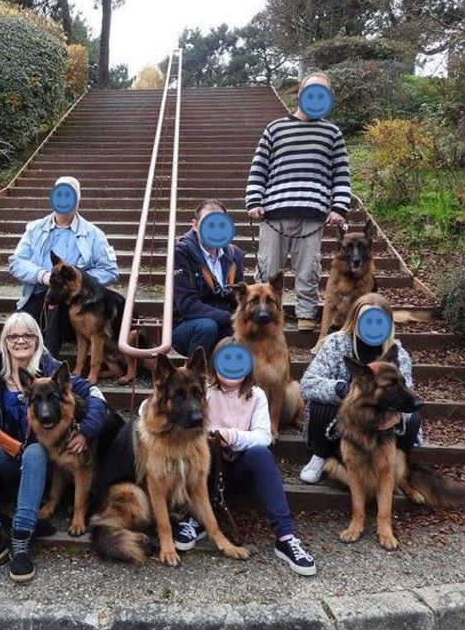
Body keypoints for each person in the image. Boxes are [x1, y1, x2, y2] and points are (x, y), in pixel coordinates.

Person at [0, 312, 109, 583]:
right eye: (13, 336)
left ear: (37, 340)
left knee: (36, 451)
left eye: (27, 335)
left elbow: (95, 395)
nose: (20, 341)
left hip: (39, 464)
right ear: (5, 341)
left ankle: (21, 536)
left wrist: (87, 430)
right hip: (5, 456)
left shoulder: (51, 368)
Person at [172, 338, 316, 576]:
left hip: (239, 469)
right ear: (215, 365)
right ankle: (195, 519)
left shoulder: (257, 395)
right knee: (200, 454)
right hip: (205, 472)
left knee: (260, 454)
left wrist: (231, 435)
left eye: (239, 360)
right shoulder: (203, 391)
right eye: (226, 360)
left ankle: (286, 537)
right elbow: (153, 406)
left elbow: (263, 437)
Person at [245, 72, 351, 331]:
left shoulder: (332, 133)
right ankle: (264, 314)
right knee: (268, 267)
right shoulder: (275, 128)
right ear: (301, 93)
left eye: (322, 92)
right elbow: (259, 166)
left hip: (313, 214)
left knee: (309, 269)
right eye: (311, 91)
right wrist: (254, 200)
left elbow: (341, 173)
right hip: (274, 211)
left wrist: (339, 207)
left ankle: (306, 313)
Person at [298, 293, 423, 484]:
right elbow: (307, 384)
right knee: (319, 407)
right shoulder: (336, 343)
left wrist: (398, 417)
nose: (372, 325)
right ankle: (321, 454)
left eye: (378, 320)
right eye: (366, 319)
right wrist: (342, 389)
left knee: (412, 419)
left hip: (382, 419)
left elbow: (407, 393)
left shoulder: (397, 351)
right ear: (354, 320)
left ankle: (396, 465)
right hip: (346, 418)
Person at [8, 176, 119, 357]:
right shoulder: (34, 229)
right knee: (18, 323)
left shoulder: (94, 234)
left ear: (78, 200)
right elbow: (16, 262)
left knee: (59, 307)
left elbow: (110, 271)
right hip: (39, 293)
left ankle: (48, 361)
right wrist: (43, 275)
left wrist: (80, 280)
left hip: (75, 301)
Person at [172, 199, 245, 358]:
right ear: (195, 225)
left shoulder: (234, 255)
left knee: (249, 329)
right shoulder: (181, 252)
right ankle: (197, 376)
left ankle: (235, 380)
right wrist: (231, 318)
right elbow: (187, 305)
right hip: (186, 325)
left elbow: (237, 299)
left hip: (223, 320)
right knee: (207, 327)